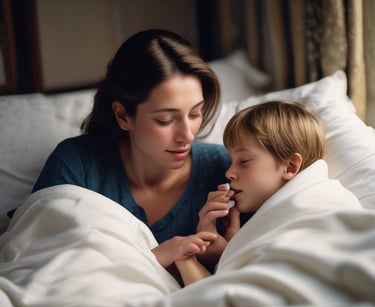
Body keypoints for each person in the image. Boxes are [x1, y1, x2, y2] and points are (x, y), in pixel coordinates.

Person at [28, 29, 236, 280]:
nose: (188, 135)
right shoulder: (76, 165)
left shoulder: (229, 169)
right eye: (165, 120)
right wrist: (156, 258)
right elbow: (39, 262)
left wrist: (225, 254)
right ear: (123, 116)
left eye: (194, 114)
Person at [175, 100, 327, 285]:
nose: (229, 173)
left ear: (290, 166)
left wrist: (185, 259)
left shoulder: (315, 209)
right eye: (232, 161)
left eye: (244, 161)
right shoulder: (261, 226)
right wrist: (230, 251)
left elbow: (226, 300)